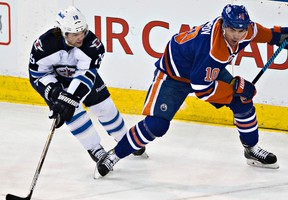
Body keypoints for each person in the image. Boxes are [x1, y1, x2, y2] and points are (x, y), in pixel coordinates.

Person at [97, 4, 287, 176]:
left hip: (202, 69)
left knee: (242, 102)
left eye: (241, 30)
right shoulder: (214, 50)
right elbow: (203, 89)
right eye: (232, 30)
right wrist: (236, 87)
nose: (237, 35)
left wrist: (280, 35)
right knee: (157, 125)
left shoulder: (246, 30)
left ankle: (251, 149)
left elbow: (263, 33)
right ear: (223, 25)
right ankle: (115, 154)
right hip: (174, 75)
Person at [28, 6, 145, 166]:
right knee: (72, 114)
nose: (80, 37)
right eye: (75, 34)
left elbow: (85, 75)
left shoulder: (93, 45)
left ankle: (126, 141)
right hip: (57, 81)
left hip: (83, 79)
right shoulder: (44, 46)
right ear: (63, 32)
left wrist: (71, 98)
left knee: (105, 108)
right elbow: (37, 76)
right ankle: (95, 149)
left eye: (83, 31)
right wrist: (56, 93)